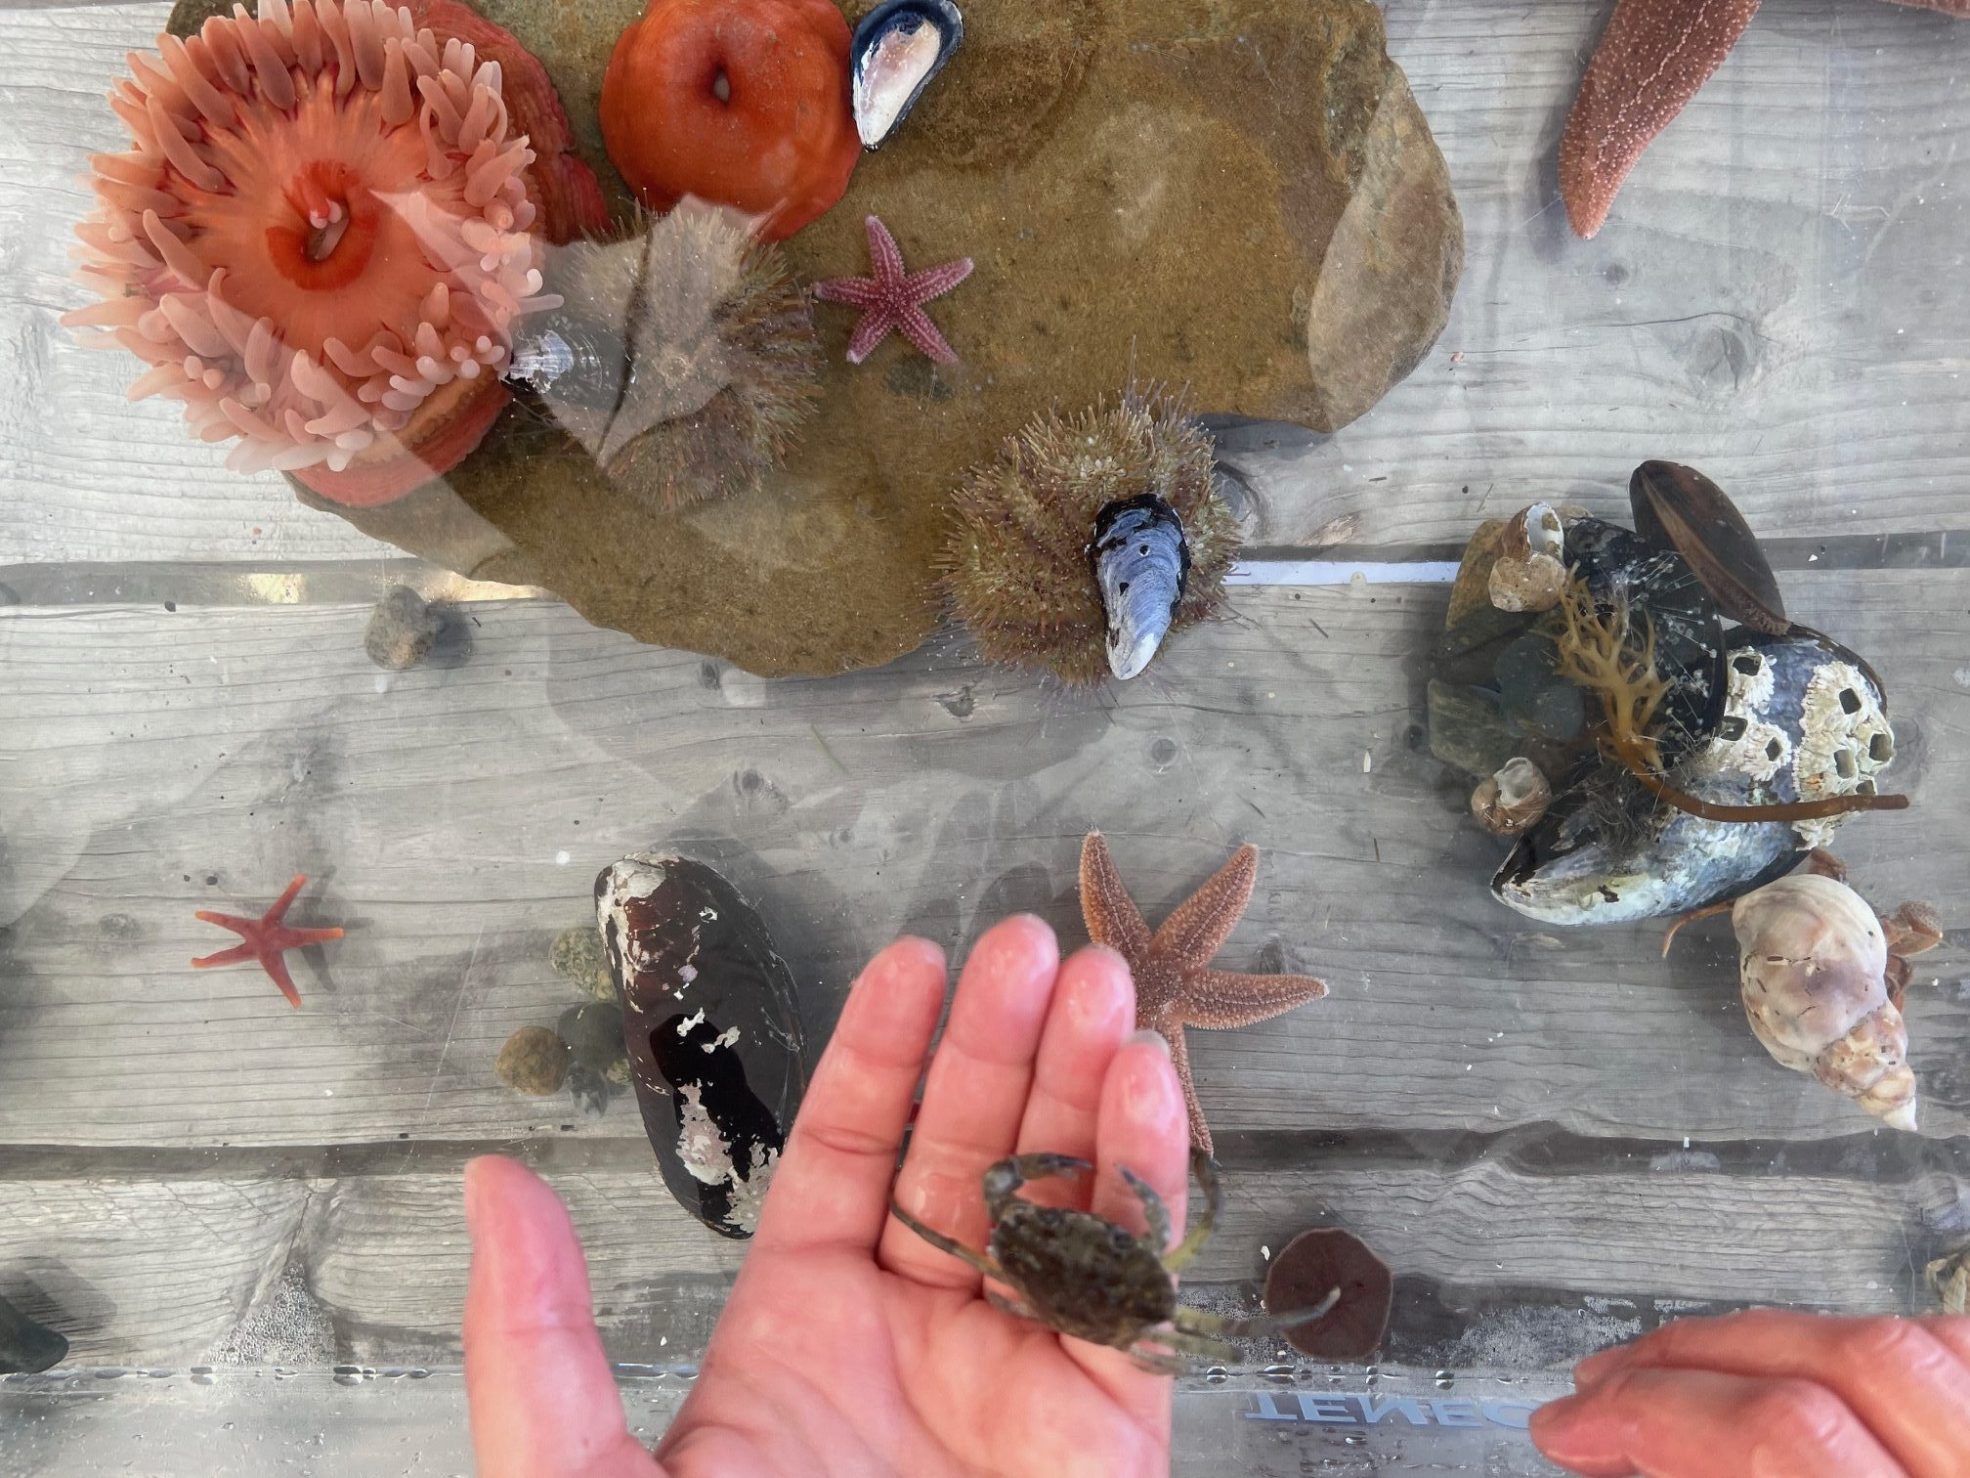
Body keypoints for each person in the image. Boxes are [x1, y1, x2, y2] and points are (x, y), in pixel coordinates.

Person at [462, 917, 1970, 1478]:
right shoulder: (1139, 1273)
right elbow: (1055, 1228)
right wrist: (1113, 1198)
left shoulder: (1097, 1267)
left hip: (1071, 1274)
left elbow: (974, 1217)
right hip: (1083, 1273)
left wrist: (1088, 1203)